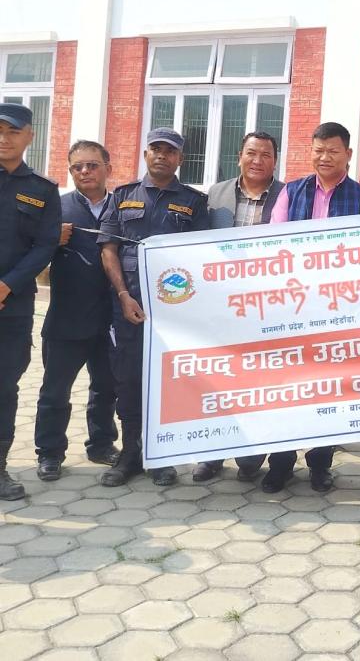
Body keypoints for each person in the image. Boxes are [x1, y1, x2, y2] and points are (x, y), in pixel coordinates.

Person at [267, 121, 360, 494]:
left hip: (336, 310)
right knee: (287, 386)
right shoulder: (290, 192)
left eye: (332, 150)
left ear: (348, 154)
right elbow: (273, 244)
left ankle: (320, 465)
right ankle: (280, 463)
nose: (324, 157)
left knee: (329, 388)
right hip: (292, 307)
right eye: (318, 150)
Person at [98, 128, 209, 487]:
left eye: (170, 151)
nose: (162, 155)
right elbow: (109, 250)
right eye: (155, 149)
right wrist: (122, 295)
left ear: (180, 159)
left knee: (167, 382)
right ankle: (130, 454)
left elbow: (200, 256)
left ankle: (161, 455)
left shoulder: (194, 202)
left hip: (173, 312)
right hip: (129, 307)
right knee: (128, 379)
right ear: (146, 154)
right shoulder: (122, 196)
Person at [192, 131, 285, 484]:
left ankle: (251, 453)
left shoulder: (287, 196)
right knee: (219, 380)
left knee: (259, 381)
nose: (257, 160)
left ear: (275, 161)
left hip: (266, 308)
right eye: (251, 153)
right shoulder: (215, 194)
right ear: (239, 156)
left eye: (265, 154)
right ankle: (211, 455)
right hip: (221, 306)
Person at [35, 141, 119, 482]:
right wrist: (50, 240)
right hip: (66, 317)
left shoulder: (122, 207)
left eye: (92, 165)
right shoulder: (55, 208)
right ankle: (50, 453)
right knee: (55, 391)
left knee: (106, 388)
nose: (85, 171)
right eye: (77, 167)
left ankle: (101, 444)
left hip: (110, 317)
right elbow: (32, 260)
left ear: (108, 168)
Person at [0, 103, 61, 500]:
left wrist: (7, 285)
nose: (3, 138)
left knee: (4, 387)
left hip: (13, 306)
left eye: (12, 131)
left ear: (29, 137)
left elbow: (45, 245)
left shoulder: (42, 189)